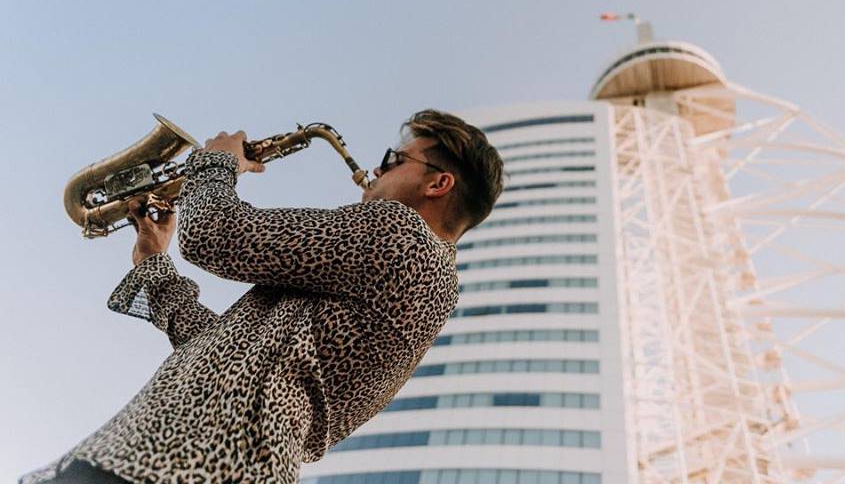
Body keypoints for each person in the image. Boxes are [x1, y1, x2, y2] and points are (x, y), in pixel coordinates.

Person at [22, 109, 504, 484]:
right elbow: (221, 348)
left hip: (184, 459)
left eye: (395, 160)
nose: (376, 168)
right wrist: (153, 263)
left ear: (438, 183)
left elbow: (214, 234)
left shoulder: (401, 236)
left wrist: (217, 162)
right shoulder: (421, 280)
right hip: (197, 462)